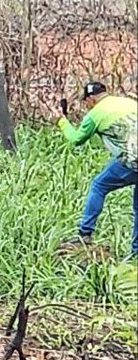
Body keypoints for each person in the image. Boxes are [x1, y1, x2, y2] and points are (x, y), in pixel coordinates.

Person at [57, 81, 137, 259]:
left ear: (91, 99)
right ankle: (135, 254)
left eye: (85, 102)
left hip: (133, 160)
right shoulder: (128, 102)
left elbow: (76, 139)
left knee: (98, 186)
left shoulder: (95, 114)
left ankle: (85, 233)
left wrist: (61, 121)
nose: (86, 105)